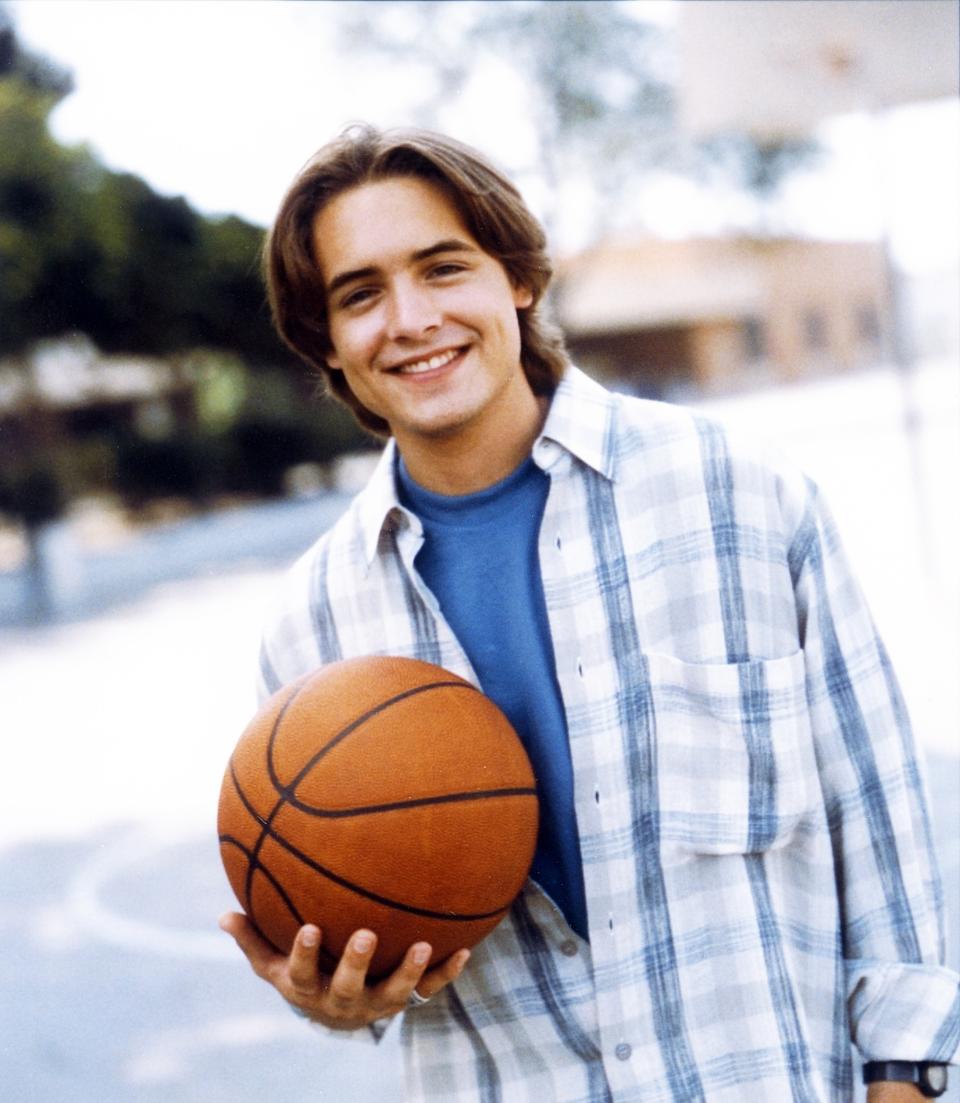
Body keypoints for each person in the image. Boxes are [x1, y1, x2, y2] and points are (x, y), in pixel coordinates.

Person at [219, 124, 958, 1101]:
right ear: (327, 341)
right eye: (361, 293)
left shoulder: (735, 494)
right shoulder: (313, 623)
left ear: (518, 278)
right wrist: (333, 998)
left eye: (444, 268)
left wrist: (901, 1077)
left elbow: (878, 818)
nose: (409, 317)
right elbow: (358, 945)